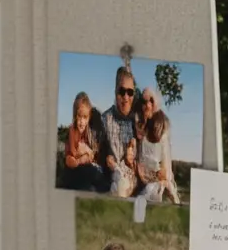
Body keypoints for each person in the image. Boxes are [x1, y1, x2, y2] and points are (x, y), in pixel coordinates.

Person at [58, 90, 112, 193]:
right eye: (79, 116)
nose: (82, 121)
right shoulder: (72, 131)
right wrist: (81, 159)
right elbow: (71, 158)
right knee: (93, 173)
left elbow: (90, 156)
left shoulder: (87, 132)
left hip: (84, 171)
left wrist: (88, 154)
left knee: (93, 182)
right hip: (73, 172)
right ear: (74, 115)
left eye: (85, 117)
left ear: (88, 118)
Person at [103, 65, 141, 197]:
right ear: (115, 92)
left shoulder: (138, 121)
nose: (126, 97)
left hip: (132, 181)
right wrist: (106, 158)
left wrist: (133, 163)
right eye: (122, 91)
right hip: (111, 178)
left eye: (130, 92)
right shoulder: (105, 119)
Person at [133, 107, 177, 203]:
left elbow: (165, 171)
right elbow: (141, 171)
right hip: (146, 184)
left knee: (163, 188)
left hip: (158, 184)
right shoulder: (141, 142)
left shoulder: (162, 141)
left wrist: (163, 176)